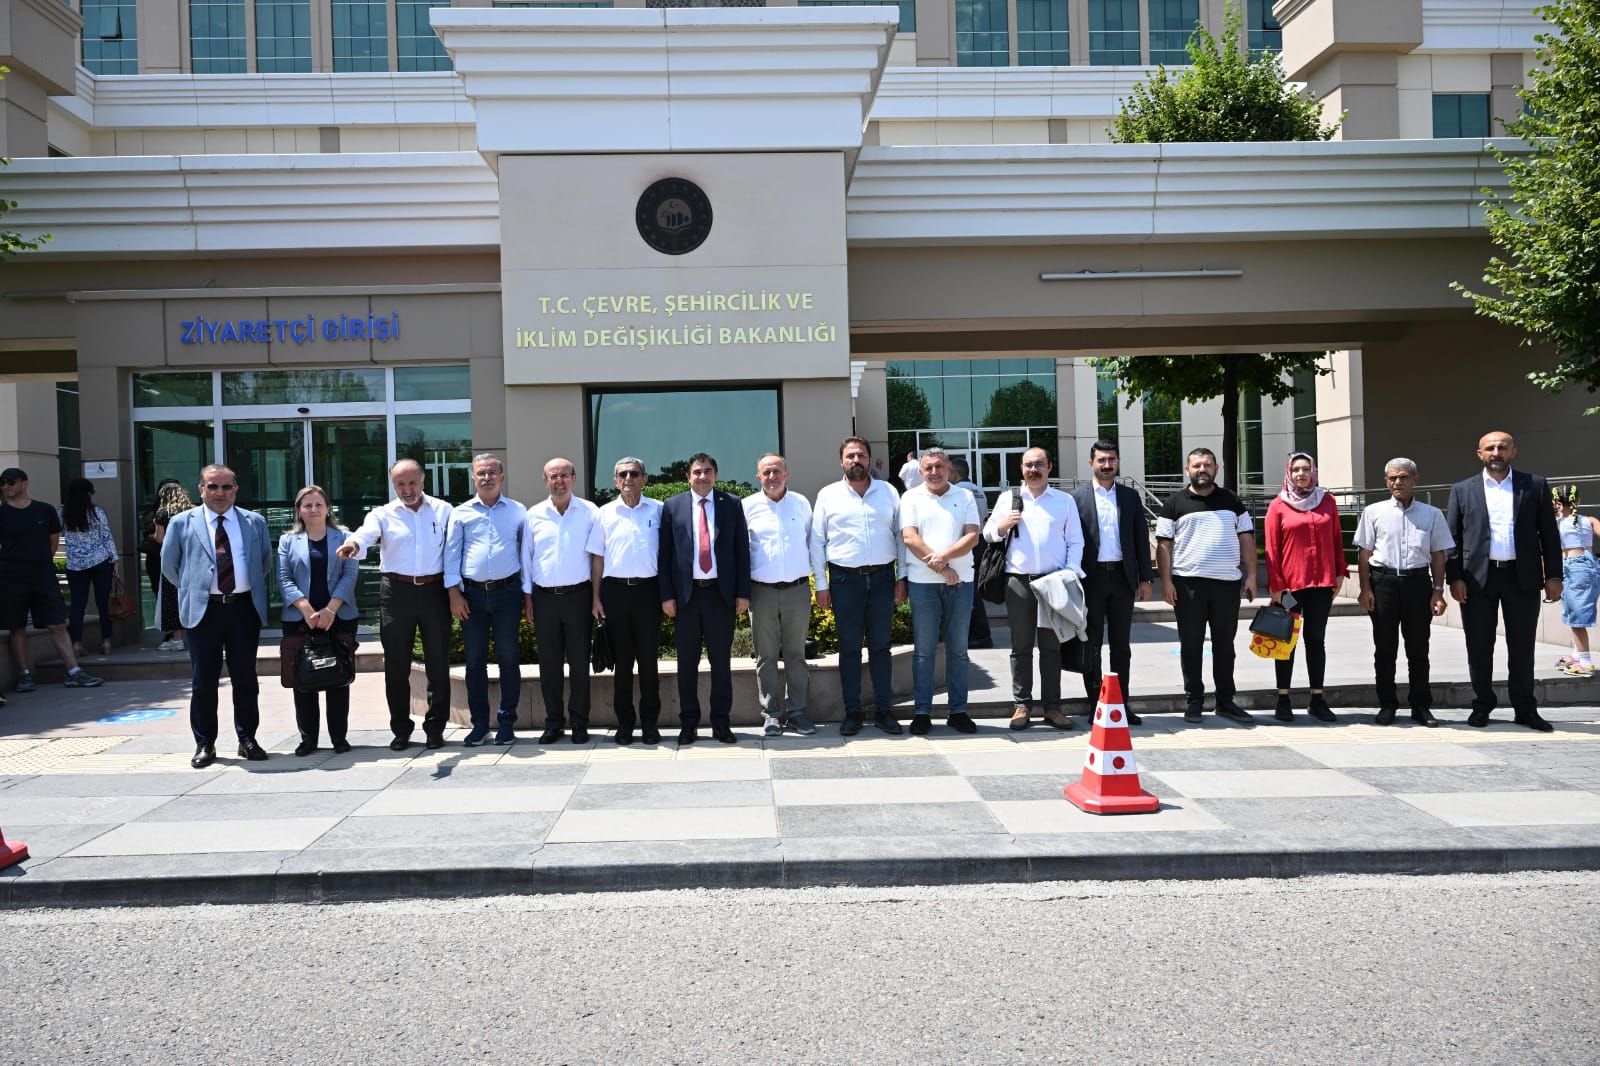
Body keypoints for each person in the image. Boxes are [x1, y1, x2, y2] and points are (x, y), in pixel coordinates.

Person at [1446, 431, 1562, 732]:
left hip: (1522, 577)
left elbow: (1549, 534)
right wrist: (1454, 577)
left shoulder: (1534, 485)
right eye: (1490, 448)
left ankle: (1525, 709)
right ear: (1480, 454)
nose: (1496, 452)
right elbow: (1453, 539)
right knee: (1479, 646)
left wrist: (1554, 575)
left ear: (1513, 451)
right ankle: (1482, 705)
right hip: (1477, 579)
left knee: (1522, 646)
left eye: (1502, 447)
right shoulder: (1462, 489)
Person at [337, 458, 453, 751]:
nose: (407, 489)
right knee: (397, 665)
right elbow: (365, 534)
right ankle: (401, 729)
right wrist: (353, 545)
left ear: (423, 481)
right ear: (393, 485)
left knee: (438, 662)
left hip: (434, 590)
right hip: (396, 593)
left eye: (412, 482)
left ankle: (435, 728)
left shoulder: (444, 511)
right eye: (400, 484)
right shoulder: (382, 514)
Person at [160, 464, 271, 767]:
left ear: (235, 489)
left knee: (245, 678)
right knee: (204, 681)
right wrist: (195, 589)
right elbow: (170, 566)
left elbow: (263, 562)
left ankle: (247, 739)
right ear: (201, 489)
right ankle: (205, 743)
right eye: (212, 486)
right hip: (203, 610)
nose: (219, 492)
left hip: (243, 608)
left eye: (225, 487)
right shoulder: (181, 523)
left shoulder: (254, 522)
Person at [811, 436, 909, 736]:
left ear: (869, 459)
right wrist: (822, 584)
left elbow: (900, 536)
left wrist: (902, 576)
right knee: (850, 648)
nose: (856, 460)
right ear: (841, 461)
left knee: (881, 648)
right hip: (844, 580)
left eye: (861, 455)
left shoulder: (888, 492)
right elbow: (817, 541)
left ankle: (883, 711)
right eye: (850, 456)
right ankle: (852, 712)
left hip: (882, 579)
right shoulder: (828, 495)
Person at [982, 446, 1082, 731]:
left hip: (1053, 583)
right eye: (1028, 465)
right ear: (1021, 468)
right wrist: (1003, 525)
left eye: (1039, 464)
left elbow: (1076, 541)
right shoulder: (1008, 499)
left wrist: (1071, 572)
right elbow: (987, 534)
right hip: (1019, 583)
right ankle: (1022, 705)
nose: (1033, 470)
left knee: (1051, 647)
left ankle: (1052, 707)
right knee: (1021, 647)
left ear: (1050, 467)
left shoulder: (1064, 501)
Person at [1155, 447, 1257, 725]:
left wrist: (1251, 576)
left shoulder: (1232, 501)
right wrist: (1166, 582)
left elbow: (1247, 539)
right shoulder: (1173, 503)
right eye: (1197, 465)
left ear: (1216, 468)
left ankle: (1225, 701)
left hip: (1226, 585)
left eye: (1208, 465)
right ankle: (1194, 701)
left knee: (1225, 646)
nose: (1202, 469)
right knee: (1191, 646)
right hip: (1188, 586)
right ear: (1187, 470)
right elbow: (1163, 546)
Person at [659, 453, 750, 745]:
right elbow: (665, 555)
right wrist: (667, 596)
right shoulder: (672, 506)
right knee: (687, 664)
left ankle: (721, 723)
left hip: (720, 596)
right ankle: (689, 724)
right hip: (686, 598)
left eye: (708, 471)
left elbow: (741, 551)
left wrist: (743, 593)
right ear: (688, 476)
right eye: (697, 472)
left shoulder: (731, 504)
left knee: (721, 663)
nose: (702, 476)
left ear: (716, 475)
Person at [1354, 458, 1453, 726]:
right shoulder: (1373, 512)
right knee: (1385, 648)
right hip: (1383, 583)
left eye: (1404, 477)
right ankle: (1387, 704)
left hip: (1418, 584)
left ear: (1415, 480)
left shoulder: (1432, 514)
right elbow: (1364, 554)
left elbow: (1438, 554)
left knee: (1418, 649)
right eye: (1392, 478)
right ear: (1386, 482)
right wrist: (1365, 589)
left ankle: (1420, 706)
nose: (1398, 482)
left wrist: (1438, 590)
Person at [445, 453, 526, 746]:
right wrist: (454, 594)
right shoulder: (461, 513)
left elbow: (526, 553)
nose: (487, 477)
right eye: (481, 473)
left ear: (502, 476)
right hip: (472, 596)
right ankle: (479, 724)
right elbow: (451, 554)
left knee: (509, 658)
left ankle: (507, 722)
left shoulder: (518, 511)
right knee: (475, 661)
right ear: (473, 477)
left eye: (492, 472)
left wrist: (527, 594)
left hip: (508, 593)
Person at [522, 457, 604, 745]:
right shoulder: (533, 514)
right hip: (544, 598)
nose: (559, 481)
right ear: (545, 481)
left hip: (579, 597)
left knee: (580, 664)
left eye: (564, 475)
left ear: (574, 478)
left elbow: (597, 558)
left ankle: (580, 723)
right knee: (549, 665)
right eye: (553, 476)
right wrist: (528, 598)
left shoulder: (590, 512)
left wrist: (596, 598)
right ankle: (553, 722)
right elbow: (526, 559)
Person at [1263, 452, 1348, 723]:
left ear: (1314, 472)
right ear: (1289, 473)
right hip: (1290, 587)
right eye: (1296, 469)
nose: (1301, 474)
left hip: (1322, 583)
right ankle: (1283, 699)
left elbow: (1337, 539)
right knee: (1285, 642)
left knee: (1316, 640)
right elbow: (1271, 549)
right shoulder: (1278, 505)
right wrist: (1276, 586)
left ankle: (1317, 699)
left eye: (1306, 469)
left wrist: (1340, 572)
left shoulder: (1327, 501)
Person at [1070, 440, 1151, 725]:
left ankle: (1121, 704)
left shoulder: (1130, 497)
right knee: (1091, 644)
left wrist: (1145, 578)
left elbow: (1141, 538)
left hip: (1122, 579)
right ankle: (1096, 704)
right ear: (1091, 463)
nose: (1107, 465)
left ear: (1118, 462)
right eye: (1101, 460)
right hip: (1090, 580)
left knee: (1121, 646)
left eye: (1111, 459)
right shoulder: (1076, 498)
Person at [2, 467, 104, 692]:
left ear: (24, 483)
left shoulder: (44, 510)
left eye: (11, 482)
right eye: (3, 483)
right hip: (12, 577)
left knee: (57, 623)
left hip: (43, 576)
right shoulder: (2, 514)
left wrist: (40, 565)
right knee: (17, 626)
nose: (6, 486)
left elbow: (53, 543)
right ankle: (24, 675)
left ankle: (74, 672)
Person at [901, 447, 980, 735]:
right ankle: (922, 712)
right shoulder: (911, 497)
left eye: (939, 466)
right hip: (923, 584)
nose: (933, 472)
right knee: (924, 652)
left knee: (958, 651)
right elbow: (910, 537)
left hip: (961, 583)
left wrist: (944, 558)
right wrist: (942, 569)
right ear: (921, 471)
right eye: (928, 468)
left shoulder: (965, 496)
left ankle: (957, 711)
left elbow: (973, 535)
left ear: (949, 468)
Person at [278, 485, 359, 756]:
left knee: (338, 676)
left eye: (318, 505)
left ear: (328, 508)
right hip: (300, 619)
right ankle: (308, 739)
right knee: (303, 677)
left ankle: (339, 737)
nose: (313, 509)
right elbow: (284, 578)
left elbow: (350, 575)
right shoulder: (288, 541)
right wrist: (305, 609)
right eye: (307, 505)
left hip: (340, 616)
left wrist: (330, 610)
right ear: (299, 510)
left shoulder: (345, 537)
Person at [744, 453, 816, 737]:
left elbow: (812, 543)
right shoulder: (747, 507)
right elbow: (740, 552)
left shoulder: (801, 503)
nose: (772, 477)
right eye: (766, 472)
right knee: (766, 656)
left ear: (787, 474)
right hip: (761, 592)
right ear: (758, 477)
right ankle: (771, 714)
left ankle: (798, 713)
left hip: (797, 590)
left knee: (797, 654)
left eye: (777, 471)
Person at [597, 457, 664, 746]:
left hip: (649, 593)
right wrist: (595, 598)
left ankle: (650, 724)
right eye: (622, 474)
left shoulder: (659, 510)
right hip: (615, 593)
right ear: (615, 481)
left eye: (634, 473)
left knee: (649, 662)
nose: (628, 478)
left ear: (644, 479)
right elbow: (597, 559)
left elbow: (668, 555)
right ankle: (624, 724)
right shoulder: (604, 513)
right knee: (622, 663)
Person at [60, 476, 120, 660]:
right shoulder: (97, 512)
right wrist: (115, 559)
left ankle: (76, 643)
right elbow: (106, 536)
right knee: (103, 603)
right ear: (88, 493)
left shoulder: (63, 514)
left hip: (75, 564)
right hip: (100, 561)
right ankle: (106, 641)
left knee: (78, 605)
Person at [1553, 485, 1600, 677]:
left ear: (1555, 502)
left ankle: (1585, 662)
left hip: (1571, 567)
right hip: (1586, 566)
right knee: (1573, 613)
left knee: (1577, 618)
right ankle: (1577, 654)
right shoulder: (1589, 520)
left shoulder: (1554, 523)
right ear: (1578, 501)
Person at [951, 456, 993, 649]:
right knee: (974, 590)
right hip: (980, 542)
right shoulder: (979, 490)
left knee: (968, 591)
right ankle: (978, 633)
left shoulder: (959, 492)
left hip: (967, 543)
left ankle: (980, 634)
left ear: (954, 474)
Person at [148, 480, 194, 651]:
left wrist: (152, 536)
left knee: (172, 599)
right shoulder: (193, 511)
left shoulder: (163, 513)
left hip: (172, 560)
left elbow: (161, 539)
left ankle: (177, 639)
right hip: (192, 560)